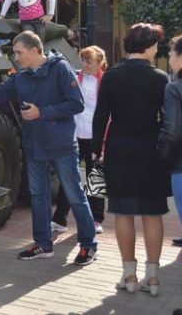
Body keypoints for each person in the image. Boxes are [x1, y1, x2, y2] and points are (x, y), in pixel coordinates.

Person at [0, 31, 98, 265]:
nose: (15, 57)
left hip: (61, 145)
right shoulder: (20, 76)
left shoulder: (60, 69)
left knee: (75, 195)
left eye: (18, 52)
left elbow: (76, 104)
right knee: (38, 196)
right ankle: (43, 244)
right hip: (35, 145)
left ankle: (88, 245)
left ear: (35, 50)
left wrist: (42, 113)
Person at [93, 23, 169, 296]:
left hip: (119, 149)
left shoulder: (112, 76)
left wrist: (96, 150)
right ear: (148, 46)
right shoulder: (161, 78)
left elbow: (101, 116)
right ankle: (153, 278)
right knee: (153, 213)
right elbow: (168, 119)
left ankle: (129, 275)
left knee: (123, 213)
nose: (157, 49)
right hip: (151, 150)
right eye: (156, 44)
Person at [51, 46, 108, 235]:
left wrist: (104, 140)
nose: (84, 64)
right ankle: (59, 219)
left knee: (95, 177)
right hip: (74, 135)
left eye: (88, 61)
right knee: (68, 176)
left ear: (99, 62)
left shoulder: (105, 81)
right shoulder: (75, 77)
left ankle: (96, 219)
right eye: (82, 60)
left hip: (95, 137)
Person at [158, 35, 182, 250]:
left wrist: (161, 156)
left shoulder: (174, 88)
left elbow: (172, 131)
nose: (169, 57)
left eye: (172, 53)